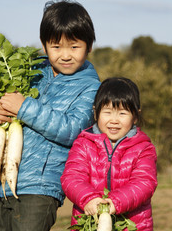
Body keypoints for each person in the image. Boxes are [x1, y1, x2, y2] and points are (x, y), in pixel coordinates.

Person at [0, 0, 100, 231]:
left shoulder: (91, 87)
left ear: (89, 46)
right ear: (44, 45)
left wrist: (24, 107)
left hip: (40, 189)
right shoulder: (28, 71)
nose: (65, 55)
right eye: (56, 47)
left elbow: (72, 130)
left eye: (74, 47)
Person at [60, 77, 158, 231]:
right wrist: (89, 200)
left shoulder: (144, 148)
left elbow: (144, 183)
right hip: (89, 222)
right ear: (95, 112)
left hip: (133, 224)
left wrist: (115, 202)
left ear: (136, 116)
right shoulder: (83, 144)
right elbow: (71, 178)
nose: (114, 120)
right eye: (107, 112)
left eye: (122, 113)